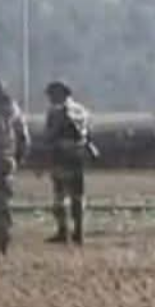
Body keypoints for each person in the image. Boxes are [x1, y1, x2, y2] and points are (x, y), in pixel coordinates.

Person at [42, 80, 93, 245]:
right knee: (78, 195)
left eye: (51, 94)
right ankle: (79, 232)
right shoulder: (82, 110)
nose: (50, 98)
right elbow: (88, 133)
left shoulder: (56, 111)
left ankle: (63, 231)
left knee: (60, 195)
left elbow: (50, 135)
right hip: (78, 156)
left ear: (59, 94)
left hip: (61, 156)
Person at [0, 83, 30, 256]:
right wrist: (18, 158)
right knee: (2, 201)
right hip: (5, 160)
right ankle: (3, 236)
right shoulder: (12, 108)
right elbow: (23, 137)